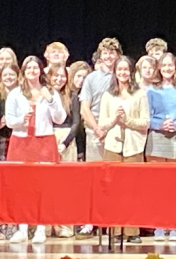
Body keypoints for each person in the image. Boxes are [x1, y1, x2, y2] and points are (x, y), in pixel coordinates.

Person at [5, 56, 66, 243]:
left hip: (44, 142)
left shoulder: (50, 92)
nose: (32, 71)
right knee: (21, 188)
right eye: (28, 68)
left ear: (41, 71)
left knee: (43, 188)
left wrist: (51, 100)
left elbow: (60, 118)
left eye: (35, 68)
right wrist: (21, 120)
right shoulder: (15, 94)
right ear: (23, 72)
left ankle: (40, 228)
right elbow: (9, 121)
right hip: (21, 142)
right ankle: (22, 228)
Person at [98, 55, 150, 243]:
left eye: (126, 70)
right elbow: (102, 124)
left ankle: (131, 231)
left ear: (131, 72)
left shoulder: (140, 94)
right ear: (115, 72)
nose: (122, 73)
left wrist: (127, 120)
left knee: (131, 190)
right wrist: (114, 120)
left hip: (133, 147)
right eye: (119, 70)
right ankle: (114, 230)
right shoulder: (107, 95)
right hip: (112, 145)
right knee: (112, 190)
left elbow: (145, 122)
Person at [77, 38, 120, 238]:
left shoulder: (123, 76)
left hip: (118, 132)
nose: (109, 56)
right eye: (105, 53)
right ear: (100, 55)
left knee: (117, 179)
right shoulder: (92, 78)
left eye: (112, 53)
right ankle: (89, 222)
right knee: (93, 179)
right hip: (95, 132)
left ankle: (116, 223)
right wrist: (96, 128)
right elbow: (85, 107)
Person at [146, 52, 176, 241]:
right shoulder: (151, 90)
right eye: (163, 66)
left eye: (170, 65)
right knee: (157, 185)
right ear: (159, 69)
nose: (167, 69)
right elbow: (146, 116)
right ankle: (159, 226)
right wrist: (159, 124)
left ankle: (175, 226)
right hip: (157, 137)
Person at [0, 62, 19, 240]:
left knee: (15, 187)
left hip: (19, 141)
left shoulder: (23, 93)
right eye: (5, 75)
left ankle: (14, 227)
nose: (8, 78)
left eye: (12, 75)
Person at [67, 61, 91, 160]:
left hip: (83, 141)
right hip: (69, 139)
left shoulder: (87, 96)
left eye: (85, 77)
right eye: (78, 76)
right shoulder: (66, 95)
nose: (81, 80)